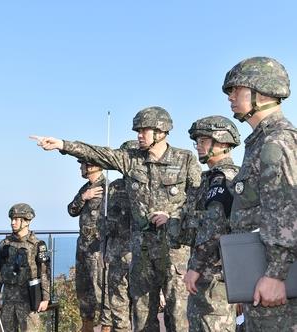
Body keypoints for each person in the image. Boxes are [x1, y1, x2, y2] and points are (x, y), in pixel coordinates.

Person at [31, 106, 201, 331]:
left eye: (144, 130)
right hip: (142, 253)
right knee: (142, 318)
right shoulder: (131, 160)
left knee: (178, 317)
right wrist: (62, 144)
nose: (139, 135)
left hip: (174, 252)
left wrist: (174, 216)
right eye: (137, 131)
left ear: (161, 132)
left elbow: (198, 199)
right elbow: (97, 153)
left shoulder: (185, 159)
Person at [222, 56, 297, 331]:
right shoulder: (259, 143)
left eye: (236, 90)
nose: (230, 97)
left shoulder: (277, 141)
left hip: (276, 284)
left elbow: (288, 211)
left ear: (262, 92)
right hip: (260, 278)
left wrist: (276, 275)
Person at [183, 116, 240, 331]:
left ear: (223, 143)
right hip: (209, 278)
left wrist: (195, 267)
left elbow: (214, 228)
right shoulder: (210, 179)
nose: (198, 146)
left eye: (203, 141)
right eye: (197, 142)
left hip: (214, 277)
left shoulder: (224, 178)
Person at [67, 160, 111, 332]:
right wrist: (84, 197)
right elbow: (71, 210)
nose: (80, 168)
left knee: (100, 286)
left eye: (83, 164)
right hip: (83, 246)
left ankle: (107, 325)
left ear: (92, 166)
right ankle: (87, 324)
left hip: (98, 246)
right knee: (83, 287)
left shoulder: (108, 188)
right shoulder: (85, 188)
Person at [0, 203, 51, 331]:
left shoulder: (37, 245)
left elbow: (45, 273)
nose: (12, 223)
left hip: (28, 301)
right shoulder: (4, 244)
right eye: (11, 219)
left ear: (26, 221)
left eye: (16, 219)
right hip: (8, 300)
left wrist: (45, 298)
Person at [100, 142, 135, 331]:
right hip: (116, 253)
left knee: (142, 307)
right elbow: (103, 221)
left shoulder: (151, 186)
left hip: (141, 253)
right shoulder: (114, 187)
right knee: (118, 306)